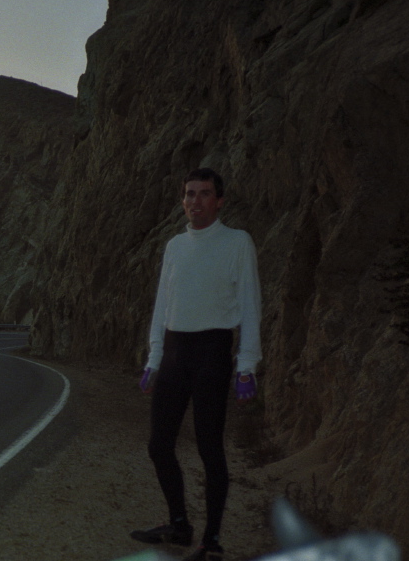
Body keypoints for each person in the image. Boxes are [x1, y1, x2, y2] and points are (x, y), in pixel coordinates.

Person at [131, 168, 262, 561]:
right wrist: (154, 359)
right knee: (159, 445)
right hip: (175, 350)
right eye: (189, 194)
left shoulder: (238, 242)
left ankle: (212, 541)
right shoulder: (174, 246)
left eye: (205, 194)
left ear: (219, 201)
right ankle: (179, 524)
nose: (195, 201)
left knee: (209, 448)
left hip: (212, 351)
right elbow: (161, 307)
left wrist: (247, 366)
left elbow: (250, 306)